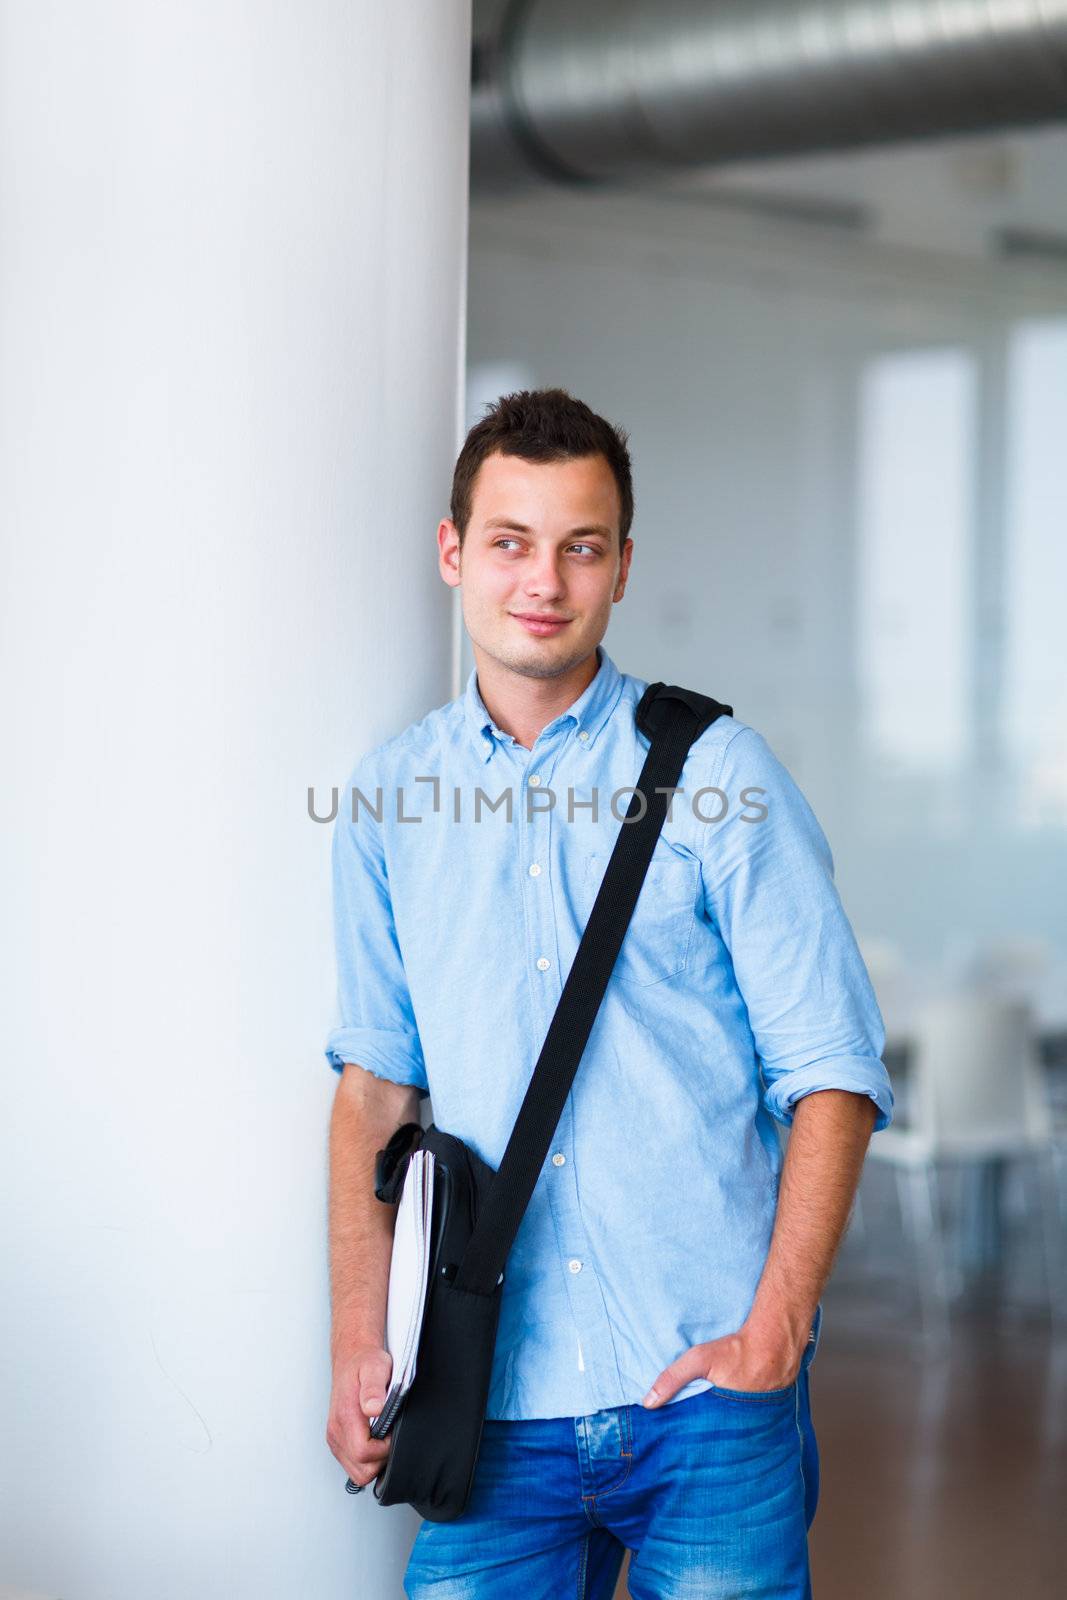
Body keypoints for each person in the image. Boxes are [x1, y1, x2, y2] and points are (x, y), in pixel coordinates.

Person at [323, 388, 893, 1599]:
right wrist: (357, 1346)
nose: (543, 579)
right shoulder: (388, 801)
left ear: (622, 566)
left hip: (705, 1396)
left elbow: (831, 1069)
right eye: (509, 541)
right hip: (490, 1404)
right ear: (453, 553)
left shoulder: (716, 775)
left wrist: (773, 1333)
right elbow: (373, 1089)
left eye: (580, 545)